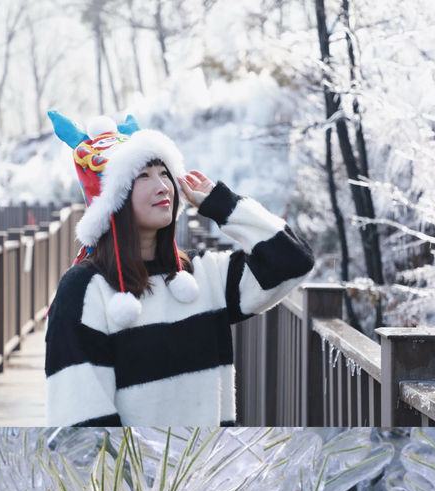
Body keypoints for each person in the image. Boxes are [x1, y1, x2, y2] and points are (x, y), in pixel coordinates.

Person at [45, 111, 314, 426]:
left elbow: (293, 260)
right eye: (142, 176)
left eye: (164, 172)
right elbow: (83, 418)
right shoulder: (85, 289)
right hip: (142, 474)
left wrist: (221, 203)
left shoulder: (202, 275)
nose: (163, 187)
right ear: (112, 200)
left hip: (212, 469)